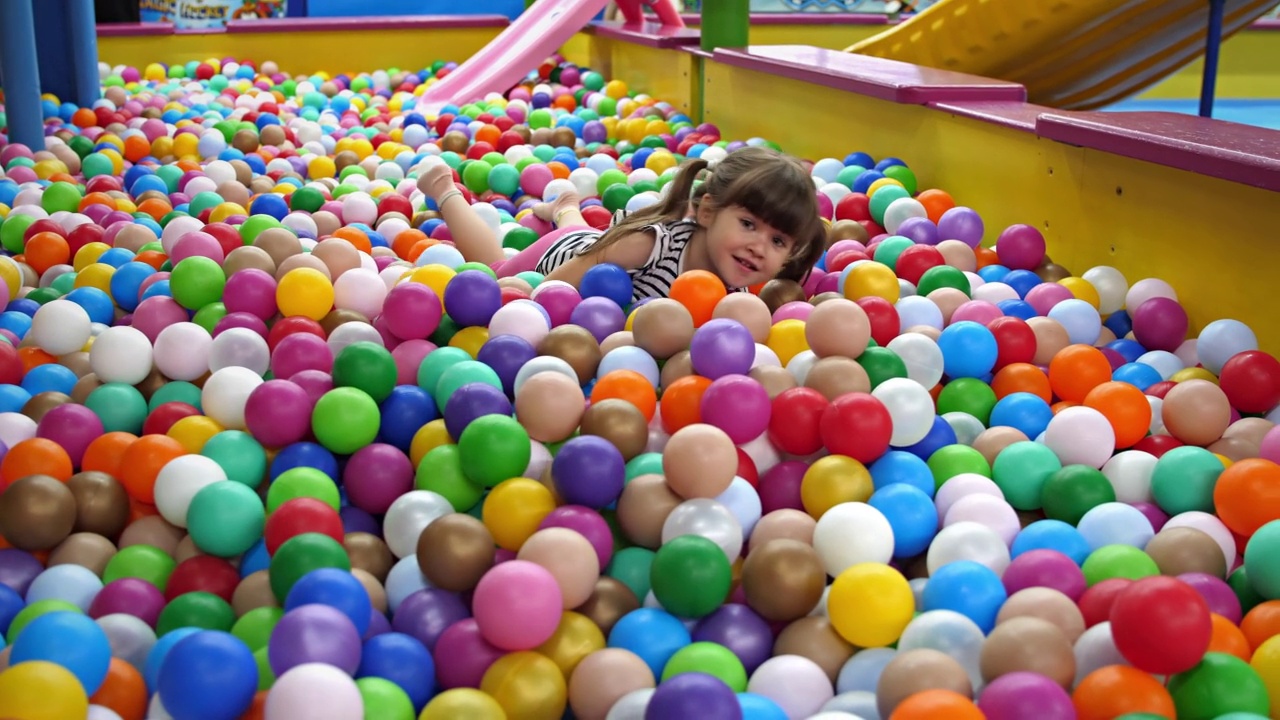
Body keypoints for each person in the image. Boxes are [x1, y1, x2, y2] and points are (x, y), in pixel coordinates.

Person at [416, 147, 826, 302]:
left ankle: (566, 206)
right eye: (748, 224)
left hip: (599, 244)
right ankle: (445, 189)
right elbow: (553, 290)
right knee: (495, 273)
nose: (759, 247)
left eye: (778, 240)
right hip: (566, 258)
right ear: (705, 211)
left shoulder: (740, 285)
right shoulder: (647, 245)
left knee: (583, 230)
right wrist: (526, 303)